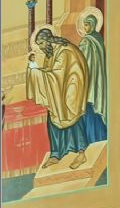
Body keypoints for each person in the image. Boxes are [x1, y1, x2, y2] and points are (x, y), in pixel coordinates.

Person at [25, 28, 107, 169]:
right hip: (59, 91)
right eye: (39, 45)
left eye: (42, 43)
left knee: (73, 116)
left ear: (49, 40)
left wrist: (36, 73)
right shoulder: (51, 53)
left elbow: (57, 75)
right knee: (52, 116)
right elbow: (50, 73)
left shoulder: (65, 51)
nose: (41, 47)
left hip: (72, 90)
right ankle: (56, 154)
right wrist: (34, 68)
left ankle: (81, 153)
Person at [78, 14, 108, 127]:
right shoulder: (98, 38)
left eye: (86, 25)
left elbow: (81, 59)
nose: (85, 28)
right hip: (98, 76)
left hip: (89, 75)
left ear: (92, 25)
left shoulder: (87, 41)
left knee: (88, 102)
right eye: (84, 25)